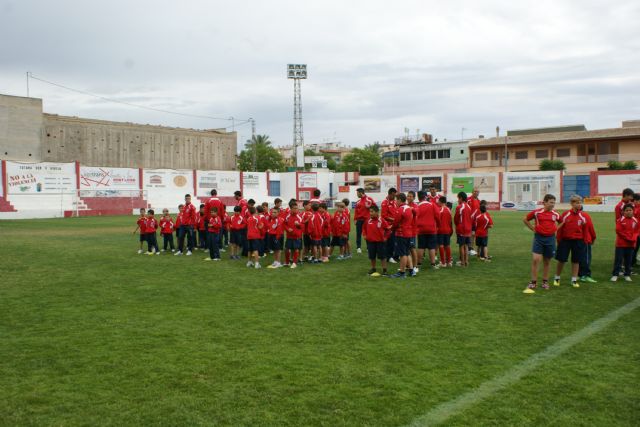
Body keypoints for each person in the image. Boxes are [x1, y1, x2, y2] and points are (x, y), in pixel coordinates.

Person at [522, 194, 561, 294]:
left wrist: (556, 229)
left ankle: (545, 281)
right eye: (551, 202)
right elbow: (525, 219)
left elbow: (562, 221)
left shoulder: (555, 214)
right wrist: (533, 229)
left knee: (547, 261)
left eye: (554, 202)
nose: (553, 204)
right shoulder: (537, 213)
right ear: (544, 202)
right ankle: (533, 282)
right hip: (539, 239)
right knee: (536, 260)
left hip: (551, 239)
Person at [553, 195, 588, 289]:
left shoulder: (583, 216)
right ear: (572, 204)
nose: (579, 204)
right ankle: (557, 278)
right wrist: (559, 240)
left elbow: (585, 230)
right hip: (565, 241)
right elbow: (560, 228)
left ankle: (574, 279)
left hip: (578, 241)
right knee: (561, 260)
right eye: (577, 203)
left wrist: (584, 240)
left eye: (580, 202)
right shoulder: (565, 214)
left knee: (576, 261)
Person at [611, 203, 638, 282]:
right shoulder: (620, 220)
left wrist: (633, 238)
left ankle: (627, 275)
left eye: (630, 210)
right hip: (620, 244)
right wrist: (628, 238)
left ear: (633, 211)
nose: (629, 212)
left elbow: (636, 231)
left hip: (631, 244)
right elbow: (619, 231)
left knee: (628, 260)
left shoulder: (636, 221)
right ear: (623, 212)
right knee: (618, 260)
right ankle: (615, 274)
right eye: (627, 210)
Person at [362, 205, 390, 277]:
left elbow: (388, 229)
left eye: (372, 211)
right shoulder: (368, 220)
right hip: (370, 242)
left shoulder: (382, 220)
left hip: (380, 242)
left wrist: (386, 237)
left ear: (377, 212)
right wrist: (365, 235)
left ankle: (384, 270)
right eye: (370, 212)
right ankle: (373, 268)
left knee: (382, 256)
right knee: (372, 256)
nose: (370, 213)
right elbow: (364, 228)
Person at [390, 193, 413, 278]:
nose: (395, 201)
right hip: (408, 233)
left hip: (401, 233)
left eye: (396, 200)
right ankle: (411, 270)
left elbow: (396, 222)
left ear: (400, 200)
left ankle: (402, 272)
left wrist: (391, 228)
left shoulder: (401, 209)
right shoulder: (408, 208)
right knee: (407, 253)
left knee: (402, 254)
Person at [416, 190, 440, 269]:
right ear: (426, 196)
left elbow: (415, 217)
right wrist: (438, 225)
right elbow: (437, 216)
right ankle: (433, 264)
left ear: (419, 198)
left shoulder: (418, 206)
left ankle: (419, 264)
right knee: (432, 247)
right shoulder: (432, 205)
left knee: (421, 247)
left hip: (421, 229)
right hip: (431, 228)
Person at [578, 206, 597, 283]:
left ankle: (579, 274)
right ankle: (585, 275)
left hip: (575, 240)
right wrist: (593, 238)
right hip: (585, 240)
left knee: (578, 257)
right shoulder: (585, 215)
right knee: (586, 258)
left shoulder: (570, 214)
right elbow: (591, 227)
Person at [354, 188, 376, 253]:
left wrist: (370, 207)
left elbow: (375, 207)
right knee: (358, 234)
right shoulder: (358, 202)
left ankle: (368, 247)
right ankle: (358, 248)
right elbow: (356, 211)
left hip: (367, 220)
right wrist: (355, 219)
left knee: (368, 234)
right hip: (359, 220)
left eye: (357, 193)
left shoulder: (369, 199)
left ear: (361, 193)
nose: (357, 194)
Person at [454, 192, 472, 267]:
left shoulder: (459, 207)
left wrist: (457, 226)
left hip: (462, 229)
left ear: (461, 198)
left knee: (461, 245)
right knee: (466, 246)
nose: (458, 200)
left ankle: (462, 262)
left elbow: (456, 219)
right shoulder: (469, 207)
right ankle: (466, 262)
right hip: (468, 229)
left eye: (458, 198)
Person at [284, 202, 303, 268]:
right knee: (286, 249)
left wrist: (298, 225)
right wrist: (287, 229)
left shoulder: (299, 217)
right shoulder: (287, 216)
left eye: (297, 208)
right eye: (294, 208)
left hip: (297, 236)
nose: (296, 210)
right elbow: (284, 224)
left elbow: (302, 226)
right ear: (291, 209)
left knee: (296, 249)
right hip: (289, 236)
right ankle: (287, 262)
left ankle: (295, 263)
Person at [381, 188, 398, 264]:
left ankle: (395, 256)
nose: (395, 196)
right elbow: (383, 216)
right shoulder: (385, 203)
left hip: (395, 225)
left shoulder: (395, 202)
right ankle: (389, 257)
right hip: (388, 226)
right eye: (394, 195)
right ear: (390, 194)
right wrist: (393, 219)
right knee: (390, 242)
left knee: (395, 241)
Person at [437, 196, 453, 267]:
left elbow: (437, 220)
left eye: (438, 201)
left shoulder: (440, 210)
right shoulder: (449, 210)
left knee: (441, 245)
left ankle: (443, 262)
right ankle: (449, 262)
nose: (437, 202)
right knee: (447, 245)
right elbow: (450, 221)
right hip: (448, 230)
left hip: (441, 230)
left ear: (440, 202)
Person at [406, 191, 418, 275]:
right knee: (407, 249)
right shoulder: (405, 206)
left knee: (412, 249)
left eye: (410, 196)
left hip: (412, 231)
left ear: (414, 198)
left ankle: (415, 266)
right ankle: (408, 265)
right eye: (408, 196)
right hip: (406, 231)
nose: (409, 197)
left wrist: (412, 209)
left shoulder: (415, 206)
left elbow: (417, 212)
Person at [467, 188, 481, 256]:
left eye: (477, 191)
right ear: (472, 192)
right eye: (475, 191)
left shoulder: (479, 201)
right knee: (469, 235)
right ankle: (469, 249)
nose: (476, 192)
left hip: (476, 221)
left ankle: (471, 248)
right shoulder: (468, 199)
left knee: (473, 235)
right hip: (469, 220)